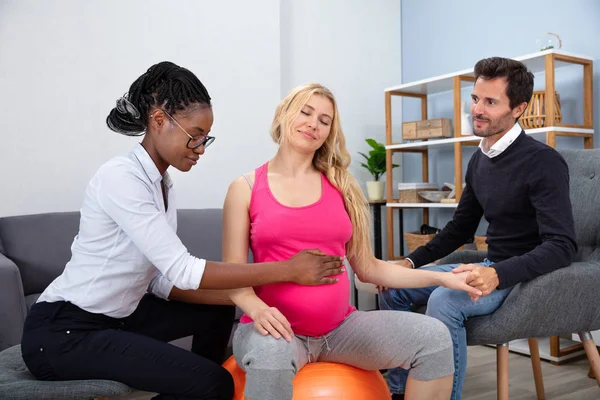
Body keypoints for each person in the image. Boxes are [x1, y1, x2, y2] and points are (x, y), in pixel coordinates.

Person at [19, 62, 346, 400]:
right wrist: (287, 270)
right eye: (195, 136)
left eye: (206, 138)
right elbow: (181, 268)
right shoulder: (121, 178)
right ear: (159, 121)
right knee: (213, 384)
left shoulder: (162, 184)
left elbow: (160, 279)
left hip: (117, 319)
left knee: (217, 312)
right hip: (65, 333)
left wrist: (247, 299)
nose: (201, 148)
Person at [222, 83, 484, 400]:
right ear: (283, 114)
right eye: (305, 112)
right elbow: (233, 277)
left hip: (340, 330)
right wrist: (259, 310)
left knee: (434, 337)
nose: (313, 124)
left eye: (324, 119)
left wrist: (443, 278)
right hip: (274, 331)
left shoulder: (341, 184)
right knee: (272, 353)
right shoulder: (245, 187)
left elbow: (370, 268)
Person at [378, 57, 578, 400]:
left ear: (518, 108)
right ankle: (400, 390)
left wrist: (498, 273)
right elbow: (460, 228)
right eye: (475, 99)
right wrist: (408, 265)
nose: (477, 110)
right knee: (393, 290)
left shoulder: (542, 162)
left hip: (522, 277)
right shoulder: (480, 158)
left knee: (444, 300)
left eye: (490, 102)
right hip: (489, 266)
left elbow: (562, 245)